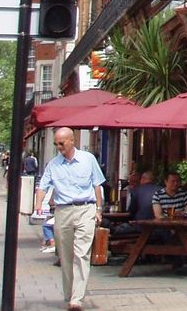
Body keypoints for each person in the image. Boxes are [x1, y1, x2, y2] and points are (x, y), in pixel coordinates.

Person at [34, 127, 105, 311]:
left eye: (61, 143)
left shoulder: (88, 159)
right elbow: (43, 186)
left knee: (82, 254)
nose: (59, 147)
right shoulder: (53, 164)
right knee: (65, 256)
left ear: (72, 141)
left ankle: (77, 299)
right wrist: (38, 204)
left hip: (86, 209)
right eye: (56, 144)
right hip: (63, 211)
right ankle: (69, 294)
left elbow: (97, 184)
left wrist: (99, 209)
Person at [112, 170, 158, 237]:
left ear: (142, 180)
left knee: (117, 229)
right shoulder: (161, 190)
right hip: (158, 228)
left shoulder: (136, 191)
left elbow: (131, 211)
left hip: (140, 228)